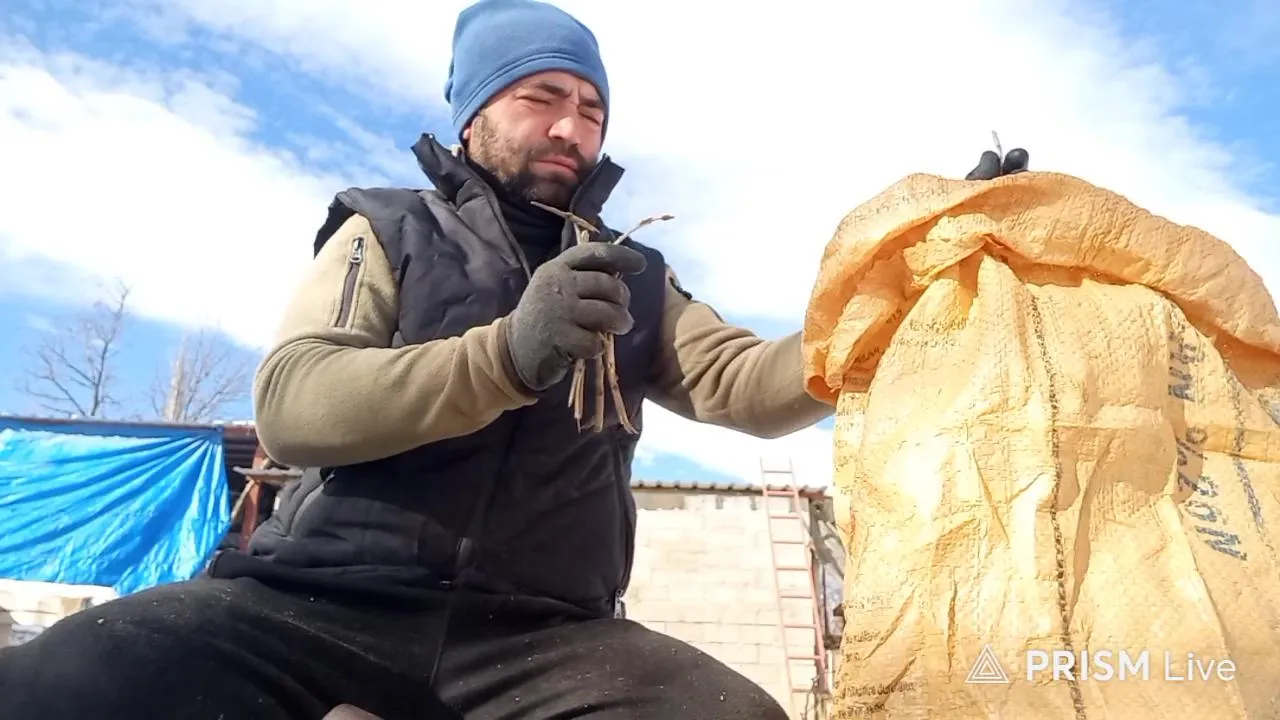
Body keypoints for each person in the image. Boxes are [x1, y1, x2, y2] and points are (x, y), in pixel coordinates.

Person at [0, 2, 1028, 718]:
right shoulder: (384, 231)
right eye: (542, 96)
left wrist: (909, 282)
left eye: (591, 108)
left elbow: (747, 387)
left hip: (541, 640)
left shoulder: (634, 274)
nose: (571, 127)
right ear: (475, 111)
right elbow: (294, 403)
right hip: (320, 608)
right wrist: (506, 354)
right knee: (75, 677)